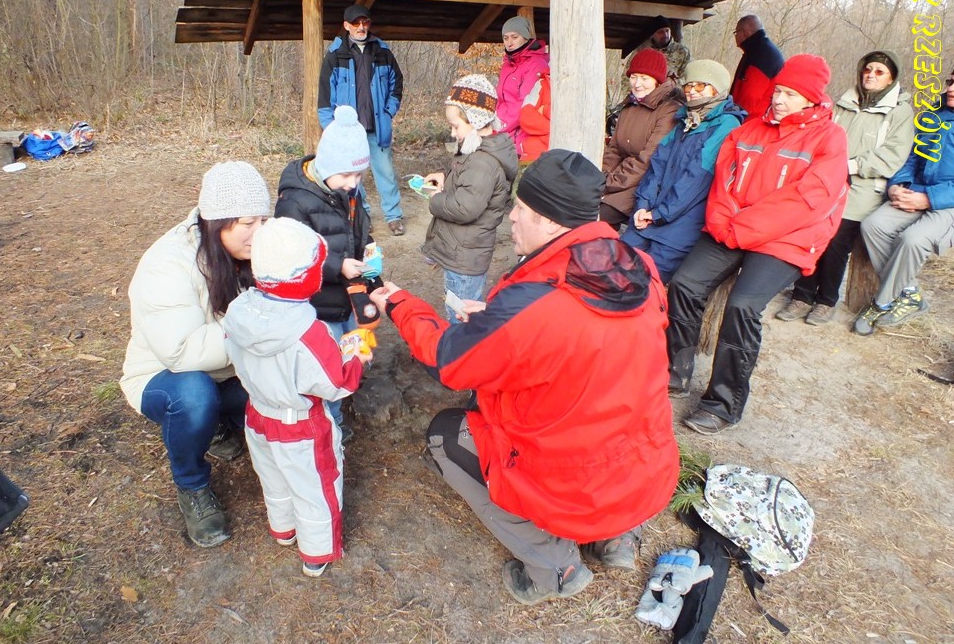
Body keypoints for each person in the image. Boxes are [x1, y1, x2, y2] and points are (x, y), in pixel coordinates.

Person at [370, 150, 679, 605]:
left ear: (550, 222)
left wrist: (401, 305)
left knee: (446, 435)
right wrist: (499, 323)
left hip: (571, 483)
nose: (511, 218)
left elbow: (449, 362)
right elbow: (587, 341)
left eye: (521, 209)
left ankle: (556, 568)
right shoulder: (638, 269)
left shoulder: (535, 305)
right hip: (644, 468)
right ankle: (616, 539)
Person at [666, 54, 849, 435]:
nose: (778, 100)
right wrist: (724, 222)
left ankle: (722, 403)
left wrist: (742, 228)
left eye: (790, 95)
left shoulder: (830, 138)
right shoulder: (750, 130)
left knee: (743, 305)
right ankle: (675, 370)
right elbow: (723, 183)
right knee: (684, 284)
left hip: (787, 237)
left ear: (812, 99)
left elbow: (807, 201)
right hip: (733, 228)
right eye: (778, 91)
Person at [121, 161, 271, 547]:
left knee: (279, 389)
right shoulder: (168, 264)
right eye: (248, 223)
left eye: (264, 220)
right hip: (165, 375)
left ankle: (219, 421)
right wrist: (256, 327)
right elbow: (181, 352)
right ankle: (192, 485)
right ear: (217, 222)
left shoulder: (247, 250)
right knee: (194, 396)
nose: (260, 232)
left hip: (227, 368)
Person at [222, 217, 371, 578]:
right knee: (315, 488)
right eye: (318, 266)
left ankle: (283, 528)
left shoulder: (239, 310)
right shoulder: (309, 332)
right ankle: (317, 553)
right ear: (303, 276)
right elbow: (336, 383)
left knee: (273, 477)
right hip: (301, 426)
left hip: (258, 415)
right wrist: (356, 356)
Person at [777, 50, 914, 325]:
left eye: (879, 72)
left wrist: (850, 165)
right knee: (811, 236)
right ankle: (802, 296)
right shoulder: (844, 102)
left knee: (837, 244)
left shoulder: (900, 112)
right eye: (868, 69)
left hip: (863, 188)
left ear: (891, 78)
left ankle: (826, 301)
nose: (871, 75)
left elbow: (892, 155)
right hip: (827, 179)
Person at [275, 105, 375, 441]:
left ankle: (342, 404)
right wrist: (337, 266)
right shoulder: (295, 202)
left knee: (349, 351)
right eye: (347, 175)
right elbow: (290, 257)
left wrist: (368, 250)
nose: (353, 184)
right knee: (325, 369)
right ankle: (330, 427)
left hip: (345, 298)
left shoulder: (346, 191)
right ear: (327, 165)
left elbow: (356, 230)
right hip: (317, 303)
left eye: (359, 175)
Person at [621, 60, 746, 281]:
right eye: (689, 85)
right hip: (649, 216)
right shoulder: (684, 120)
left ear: (717, 89)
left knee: (644, 283)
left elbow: (696, 179)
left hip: (681, 225)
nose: (692, 91)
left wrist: (658, 214)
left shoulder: (726, 125)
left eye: (701, 85)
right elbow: (657, 166)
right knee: (612, 264)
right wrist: (643, 205)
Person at [852, 71, 954, 336]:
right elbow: (910, 157)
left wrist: (929, 199)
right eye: (951, 81)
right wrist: (897, 185)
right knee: (873, 225)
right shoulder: (933, 114)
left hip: (948, 204)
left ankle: (881, 303)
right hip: (914, 190)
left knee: (913, 240)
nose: (951, 88)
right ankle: (909, 293)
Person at [421, 74, 518, 322]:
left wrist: (436, 199)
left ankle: (460, 345)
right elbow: (466, 182)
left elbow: (465, 208)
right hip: (463, 251)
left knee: (461, 315)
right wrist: (445, 178)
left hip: (464, 258)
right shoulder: (476, 150)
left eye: (456, 126)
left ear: (476, 122)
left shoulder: (482, 162)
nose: (452, 133)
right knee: (459, 308)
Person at [318, 4, 406, 236]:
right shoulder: (335, 56)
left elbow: (397, 85)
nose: (361, 27)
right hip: (349, 131)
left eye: (365, 22)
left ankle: (394, 216)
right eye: (356, 23)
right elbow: (325, 97)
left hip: (378, 126)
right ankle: (362, 215)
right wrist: (332, 129)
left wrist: (388, 112)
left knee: (385, 172)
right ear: (346, 26)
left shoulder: (383, 52)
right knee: (353, 177)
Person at [602, 48, 684, 227]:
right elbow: (614, 149)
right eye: (633, 77)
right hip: (618, 180)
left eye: (644, 78)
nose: (637, 84)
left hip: (644, 183)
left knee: (598, 215)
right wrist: (602, 175)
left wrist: (609, 183)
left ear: (657, 80)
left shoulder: (669, 110)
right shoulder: (630, 106)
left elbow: (647, 160)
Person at [496, 16, 550, 159]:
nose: (509, 42)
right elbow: (501, 100)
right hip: (505, 131)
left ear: (525, 38)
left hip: (523, 135)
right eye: (506, 38)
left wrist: (500, 126)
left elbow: (524, 104)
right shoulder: (507, 64)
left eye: (514, 37)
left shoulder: (536, 63)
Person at [618, 15, 691, 100]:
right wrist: (631, 97)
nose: (665, 34)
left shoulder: (681, 51)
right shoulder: (641, 51)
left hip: (671, 98)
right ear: (652, 35)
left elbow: (687, 76)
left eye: (667, 31)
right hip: (644, 97)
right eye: (660, 32)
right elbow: (627, 76)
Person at [730, 14, 785, 119]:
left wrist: (738, 120)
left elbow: (751, 98)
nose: (735, 36)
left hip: (752, 121)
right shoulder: (757, 50)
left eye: (736, 32)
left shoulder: (761, 55)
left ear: (745, 32)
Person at [517, 68, 551, 162]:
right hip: (534, 154)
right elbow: (526, 116)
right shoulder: (542, 83)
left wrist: (545, 109)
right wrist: (554, 127)